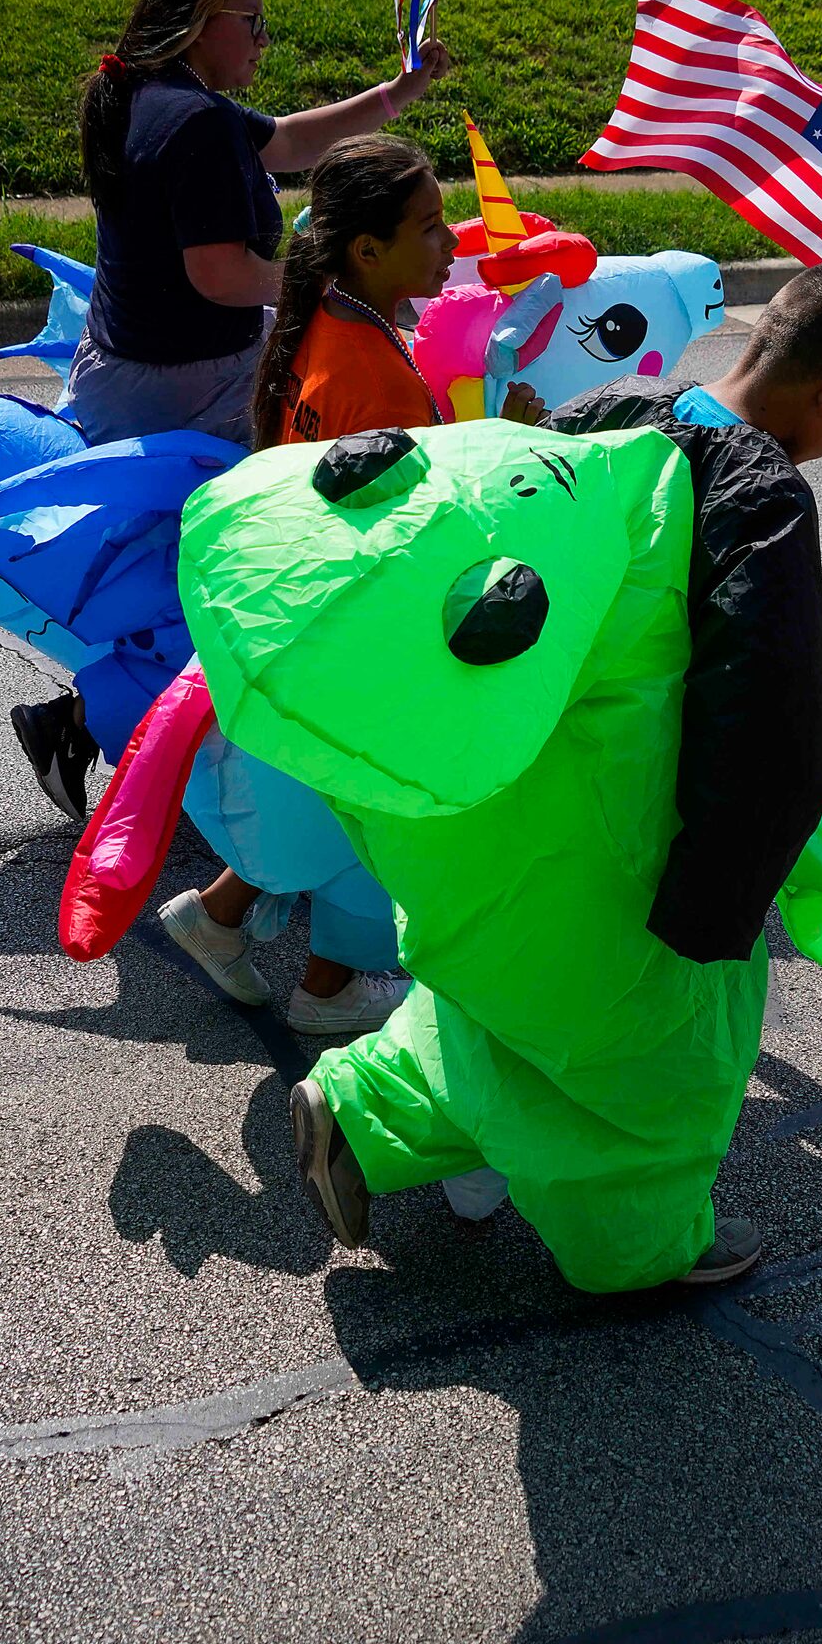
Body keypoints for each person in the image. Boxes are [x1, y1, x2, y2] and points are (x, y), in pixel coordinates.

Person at [280, 263, 822, 1289]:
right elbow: (765, 716)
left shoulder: (613, 410)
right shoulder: (757, 496)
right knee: (657, 1055)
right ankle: (644, 1250)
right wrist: (724, 898)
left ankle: (370, 1110)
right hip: (622, 825)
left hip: (502, 786)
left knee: (505, 990)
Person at [13, 0, 454, 818]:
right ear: (197, 24)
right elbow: (219, 274)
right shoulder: (195, 122)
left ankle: (115, 727)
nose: (261, 36)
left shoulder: (141, 92)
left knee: (188, 572)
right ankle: (141, 736)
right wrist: (328, 277)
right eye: (249, 21)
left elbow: (284, 142)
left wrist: (397, 96)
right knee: (268, 552)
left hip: (125, 370)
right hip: (185, 381)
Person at [156, 136, 546, 1039]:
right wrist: (517, 445)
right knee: (376, 817)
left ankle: (218, 917)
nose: (450, 241)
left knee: (309, 794)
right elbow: (424, 529)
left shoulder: (331, 325)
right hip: (364, 630)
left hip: (310, 614)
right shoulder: (369, 371)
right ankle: (331, 985)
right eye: (428, 226)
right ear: (366, 251)